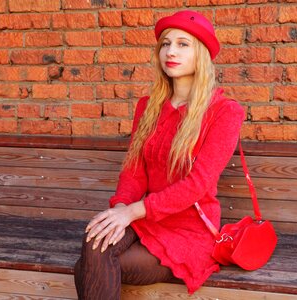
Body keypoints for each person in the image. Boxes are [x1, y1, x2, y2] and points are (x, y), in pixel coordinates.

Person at [74, 10, 244, 299]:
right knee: (96, 241)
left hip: (188, 230)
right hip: (147, 219)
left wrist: (132, 211)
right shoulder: (148, 107)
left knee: (91, 264)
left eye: (182, 44)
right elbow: (134, 171)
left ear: (200, 53)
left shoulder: (224, 112)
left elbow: (197, 184)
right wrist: (120, 208)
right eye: (165, 44)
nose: (171, 52)